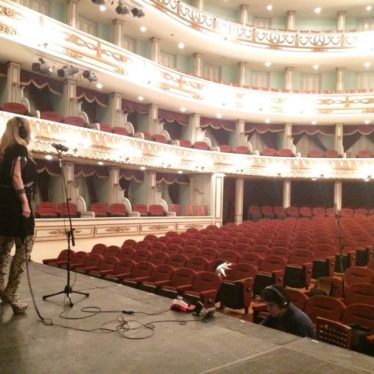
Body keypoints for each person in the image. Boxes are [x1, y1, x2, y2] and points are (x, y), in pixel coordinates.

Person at [0, 116, 37, 314]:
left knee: (3, 251)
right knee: (24, 250)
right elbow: (16, 176)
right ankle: (12, 293)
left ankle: (1, 290)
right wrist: (25, 203)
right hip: (17, 209)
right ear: (22, 132)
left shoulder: (2, 151)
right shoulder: (20, 150)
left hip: (3, 209)